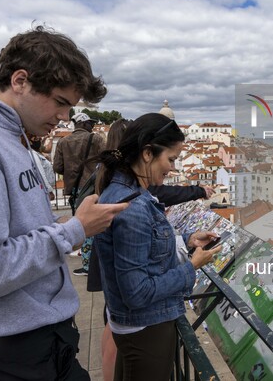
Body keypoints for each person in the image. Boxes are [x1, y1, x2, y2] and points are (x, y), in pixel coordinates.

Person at [0, 25, 129, 380]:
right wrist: (74, 230)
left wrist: (60, 228)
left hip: (36, 333)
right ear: (20, 81)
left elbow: (10, 236)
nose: (65, 117)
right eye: (61, 102)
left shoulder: (11, 136)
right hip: (11, 346)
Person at [94, 113, 221, 380]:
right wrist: (192, 267)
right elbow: (137, 293)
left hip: (135, 327)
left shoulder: (125, 191)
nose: (173, 168)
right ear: (148, 153)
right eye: (171, 159)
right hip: (145, 328)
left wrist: (187, 240)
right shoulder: (133, 206)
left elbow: (141, 248)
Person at [54, 111, 105, 275]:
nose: (92, 126)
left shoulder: (63, 142)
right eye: (90, 123)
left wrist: (71, 171)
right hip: (93, 188)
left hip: (75, 189)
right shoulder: (96, 139)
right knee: (98, 223)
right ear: (82, 124)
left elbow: (57, 167)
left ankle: (87, 263)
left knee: (81, 224)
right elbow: (107, 159)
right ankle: (95, 265)